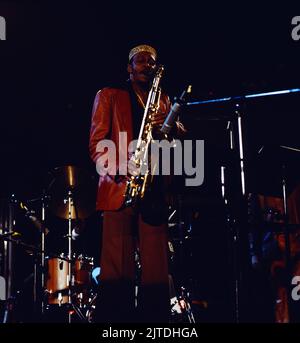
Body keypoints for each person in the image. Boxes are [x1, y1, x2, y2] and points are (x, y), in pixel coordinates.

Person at [89, 44, 185, 322]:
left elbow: (177, 144)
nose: (146, 65)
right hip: (120, 188)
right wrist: (122, 166)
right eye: (140, 60)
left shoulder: (163, 100)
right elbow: (96, 145)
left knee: (156, 275)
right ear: (128, 69)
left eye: (151, 61)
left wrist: (168, 126)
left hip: (154, 190)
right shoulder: (109, 95)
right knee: (117, 273)